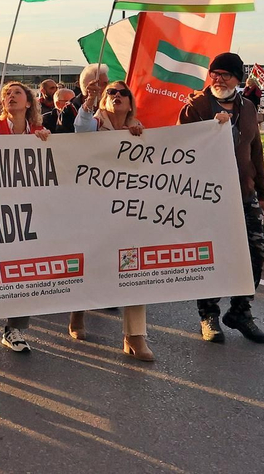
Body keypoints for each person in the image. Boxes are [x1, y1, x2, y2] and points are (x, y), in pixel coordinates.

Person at [178, 53, 264, 345]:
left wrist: (263, 192)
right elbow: (181, 147)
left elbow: (256, 151)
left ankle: (240, 311)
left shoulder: (249, 108)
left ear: (237, 79)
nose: (218, 79)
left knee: (256, 252)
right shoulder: (197, 106)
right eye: (214, 73)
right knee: (211, 256)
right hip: (208, 197)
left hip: (243, 193)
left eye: (225, 75)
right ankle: (209, 315)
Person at [69, 80, 152, 360]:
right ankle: (77, 312)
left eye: (122, 93)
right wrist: (91, 97)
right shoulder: (93, 123)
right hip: (93, 207)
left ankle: (135, 336)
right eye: (111, 93)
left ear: (130, 101)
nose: (116, 96)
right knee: (90, 263)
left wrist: (139, 139)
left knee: (135, 269)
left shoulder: (138, 129)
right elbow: (80, 130)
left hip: (128, 211)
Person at [0, 81, 50, 352]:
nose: (11, 96)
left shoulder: (38, 131)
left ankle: (14, 329)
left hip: (28, 210)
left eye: (17, 93)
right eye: (6, 94)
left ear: (29, 102)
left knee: (23, 268)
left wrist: (49, 142)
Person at [72, 65, 108, 132]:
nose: (108, 87)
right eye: (104, 84)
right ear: (90, 86)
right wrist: (90, 100)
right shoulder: (69, 110)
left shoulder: (110, 108)